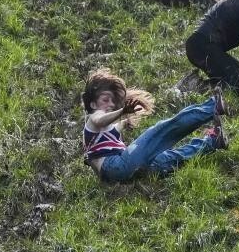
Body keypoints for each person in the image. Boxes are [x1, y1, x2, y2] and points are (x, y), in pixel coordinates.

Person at [82, 70, 228, 182]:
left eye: (112, 101)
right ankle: (212, 106)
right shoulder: (93, 117)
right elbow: (100, 120)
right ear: (93, 104)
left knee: (172, 158)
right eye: (105, 100)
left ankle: (213, 142)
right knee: (161, 130)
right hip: (116, 166)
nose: (111, 104)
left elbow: (113, 128)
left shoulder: (102, 131)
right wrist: (122, 111)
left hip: (119, 173)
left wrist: (126, 121)